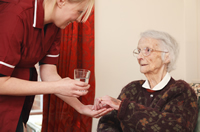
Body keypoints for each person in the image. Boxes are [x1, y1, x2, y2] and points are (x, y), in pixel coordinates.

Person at [0, 0, 111, 131]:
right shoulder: (15, 15)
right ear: (61, 1)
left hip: (17, 103)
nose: (80, 20)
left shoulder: (55, 26)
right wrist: (57, 86)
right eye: (79, 12)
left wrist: (81, 107)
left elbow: (49, 73)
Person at [94, 30, 199, 132]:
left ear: (167, 56)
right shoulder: (131, 89)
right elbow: (107, 122)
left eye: (147, 50)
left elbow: (174, 127)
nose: (139, 57)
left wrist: (123, 107)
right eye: (139, 51)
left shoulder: (182, 91)